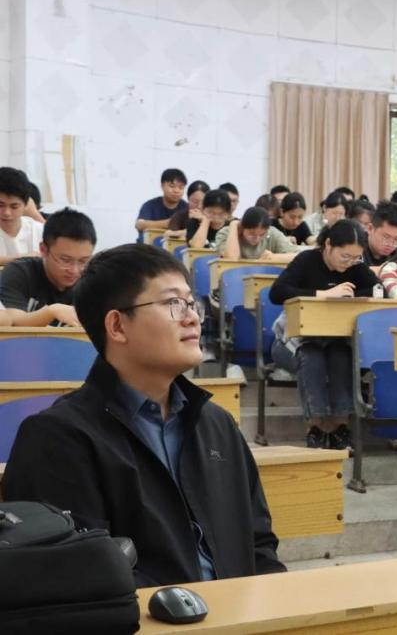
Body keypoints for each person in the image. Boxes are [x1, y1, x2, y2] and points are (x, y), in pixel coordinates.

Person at [1, 243, 286, 586]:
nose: (192, 317)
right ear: (117, 326)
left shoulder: (217, 423)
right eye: (172, 303)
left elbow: (258, 543)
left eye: (190, 303)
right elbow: (77, 580)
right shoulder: (56, 438)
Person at [269, 221, 381, 449]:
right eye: (345, 256)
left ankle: (341, 427)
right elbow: (277, 292)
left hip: (334, 339)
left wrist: (350, 296)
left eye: (356, 258)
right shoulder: (306, 260)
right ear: (328, 244)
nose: (349, 262)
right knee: (311, 356)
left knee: (342, 355)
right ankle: (315, 427)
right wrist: (324, 294)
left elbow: (379, 290)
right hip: (291, 340)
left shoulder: (355, 267)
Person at [0, 208, 95, 327]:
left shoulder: (92, 280)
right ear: (43, 250)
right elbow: (14, 323)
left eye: (83, 261)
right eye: (65, 260)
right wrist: (52, 312)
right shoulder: (19, 273)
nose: (74, 270)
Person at [216, 207, 299, 261]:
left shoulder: (272, 233)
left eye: (262, 235)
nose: (257, 238)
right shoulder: (226, 233)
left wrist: (273, 257)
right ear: (242, 227)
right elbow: (231, 259)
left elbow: (299, 256)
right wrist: (234, 225)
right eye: (252, 234)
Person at [0, 167, 44, 264]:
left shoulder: (38, 230)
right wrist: (23, 258)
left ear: (26, 205)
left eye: (14, 206)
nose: (7, 213)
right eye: (1, 205)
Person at [135, 169, 187, 242]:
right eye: (172, 186)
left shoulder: (186, 207)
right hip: (148, 246)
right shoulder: (150, 205)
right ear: (162, 186)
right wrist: (168, 223)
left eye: (181, 188)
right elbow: (139, 225)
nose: (176, 191)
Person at [365, 202, 397, 268]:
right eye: (386, 237)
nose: (390, 244)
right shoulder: (355, 252)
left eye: (396, 239)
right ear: (370, 229)